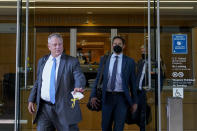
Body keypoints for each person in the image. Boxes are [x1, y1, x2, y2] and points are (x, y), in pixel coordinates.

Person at [28, 33, 86, 131]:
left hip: (64, 108)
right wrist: (31, 99)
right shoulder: (42, 61)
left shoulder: (71, 61)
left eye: (60, 44)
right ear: (49, 46)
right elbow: (38, 82)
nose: (58, 47)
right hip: (44, 109)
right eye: (55, 44)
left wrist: (79, 86)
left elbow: (79, 76)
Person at [90, 36, 138, 131]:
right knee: (105, 126)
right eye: (115, 43)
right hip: (106, 97)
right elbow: (98, 78)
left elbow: (133, 83)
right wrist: (93, 95)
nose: (117, 45)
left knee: (119, 127)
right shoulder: (104, 59)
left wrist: (135, 102)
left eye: (119, 44)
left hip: (122, 98)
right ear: (112, 45)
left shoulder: (129, 62)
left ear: (124, 46)